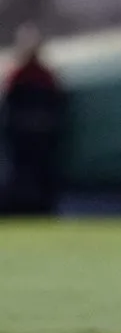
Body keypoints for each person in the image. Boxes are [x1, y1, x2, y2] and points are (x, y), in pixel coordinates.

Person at [1, 23, 66, 216]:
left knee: (42, 173)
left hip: (41, 136)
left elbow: (56, 105)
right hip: (21, 137)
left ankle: (42, 207)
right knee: (19, 173)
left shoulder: (44, 76)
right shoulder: (18, 75)